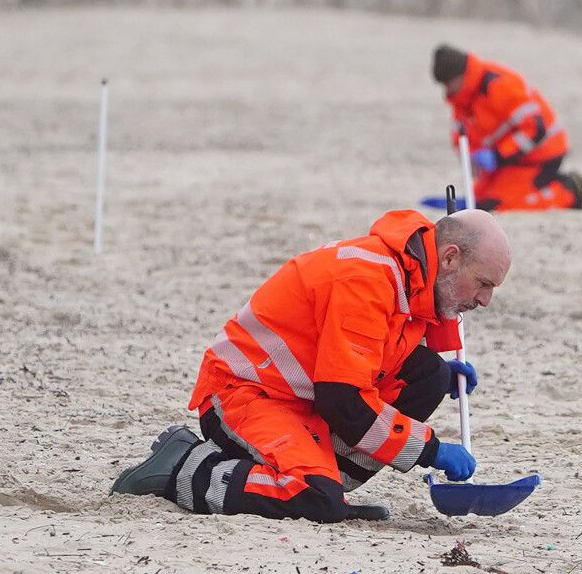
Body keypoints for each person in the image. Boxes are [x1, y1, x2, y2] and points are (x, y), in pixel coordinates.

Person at [111, 209, 512, 522]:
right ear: (450, 257)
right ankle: (182, 464)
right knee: (316, 497)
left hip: (301, 398)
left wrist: (438, 378)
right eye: (483, 284)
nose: (485, 300)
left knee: (429, 376)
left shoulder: (412, 276)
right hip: (244, 394)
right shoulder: (368, 278)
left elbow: (364, 354)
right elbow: (344, 400)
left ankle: (324, 484)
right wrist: (431, 449)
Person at [432, 44, 582, 211]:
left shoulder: (500, 85)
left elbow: (535, 130)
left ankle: (569, 189)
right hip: (509, 159)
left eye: (448, 84)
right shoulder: (463, 97)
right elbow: (461, 135)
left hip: (543, 155)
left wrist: (497, 155)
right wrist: (470, 159)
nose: (447, 90)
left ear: (460, 76)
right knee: (480, 198)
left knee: (502, 203)